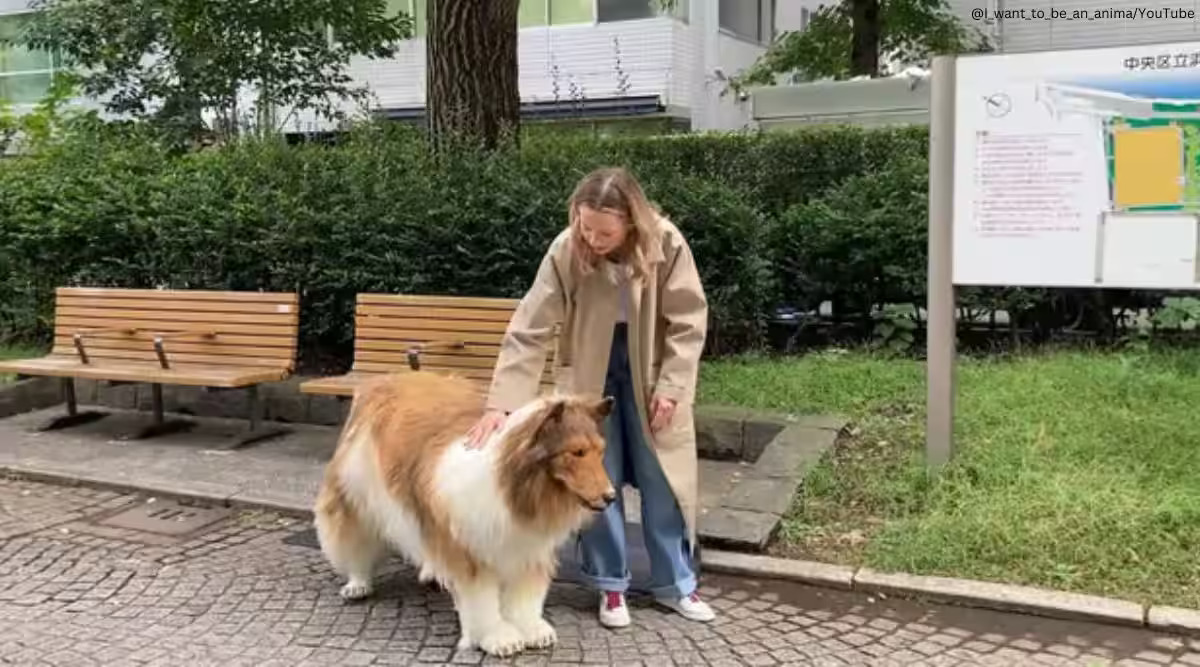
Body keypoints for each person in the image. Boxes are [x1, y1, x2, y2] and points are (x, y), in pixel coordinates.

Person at [465, 166, 715, 628]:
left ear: (631, 222)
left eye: (604, 231)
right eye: (585, 227)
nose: (593, 239)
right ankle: (610, 587)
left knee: (665, 481)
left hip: (653, 377)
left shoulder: (666, 242)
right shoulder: (566, 249)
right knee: (594, 481)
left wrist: (675, 387)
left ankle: (677, 584)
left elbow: (689, 319)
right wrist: (501, 405)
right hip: (587, 378)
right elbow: (530, 327)